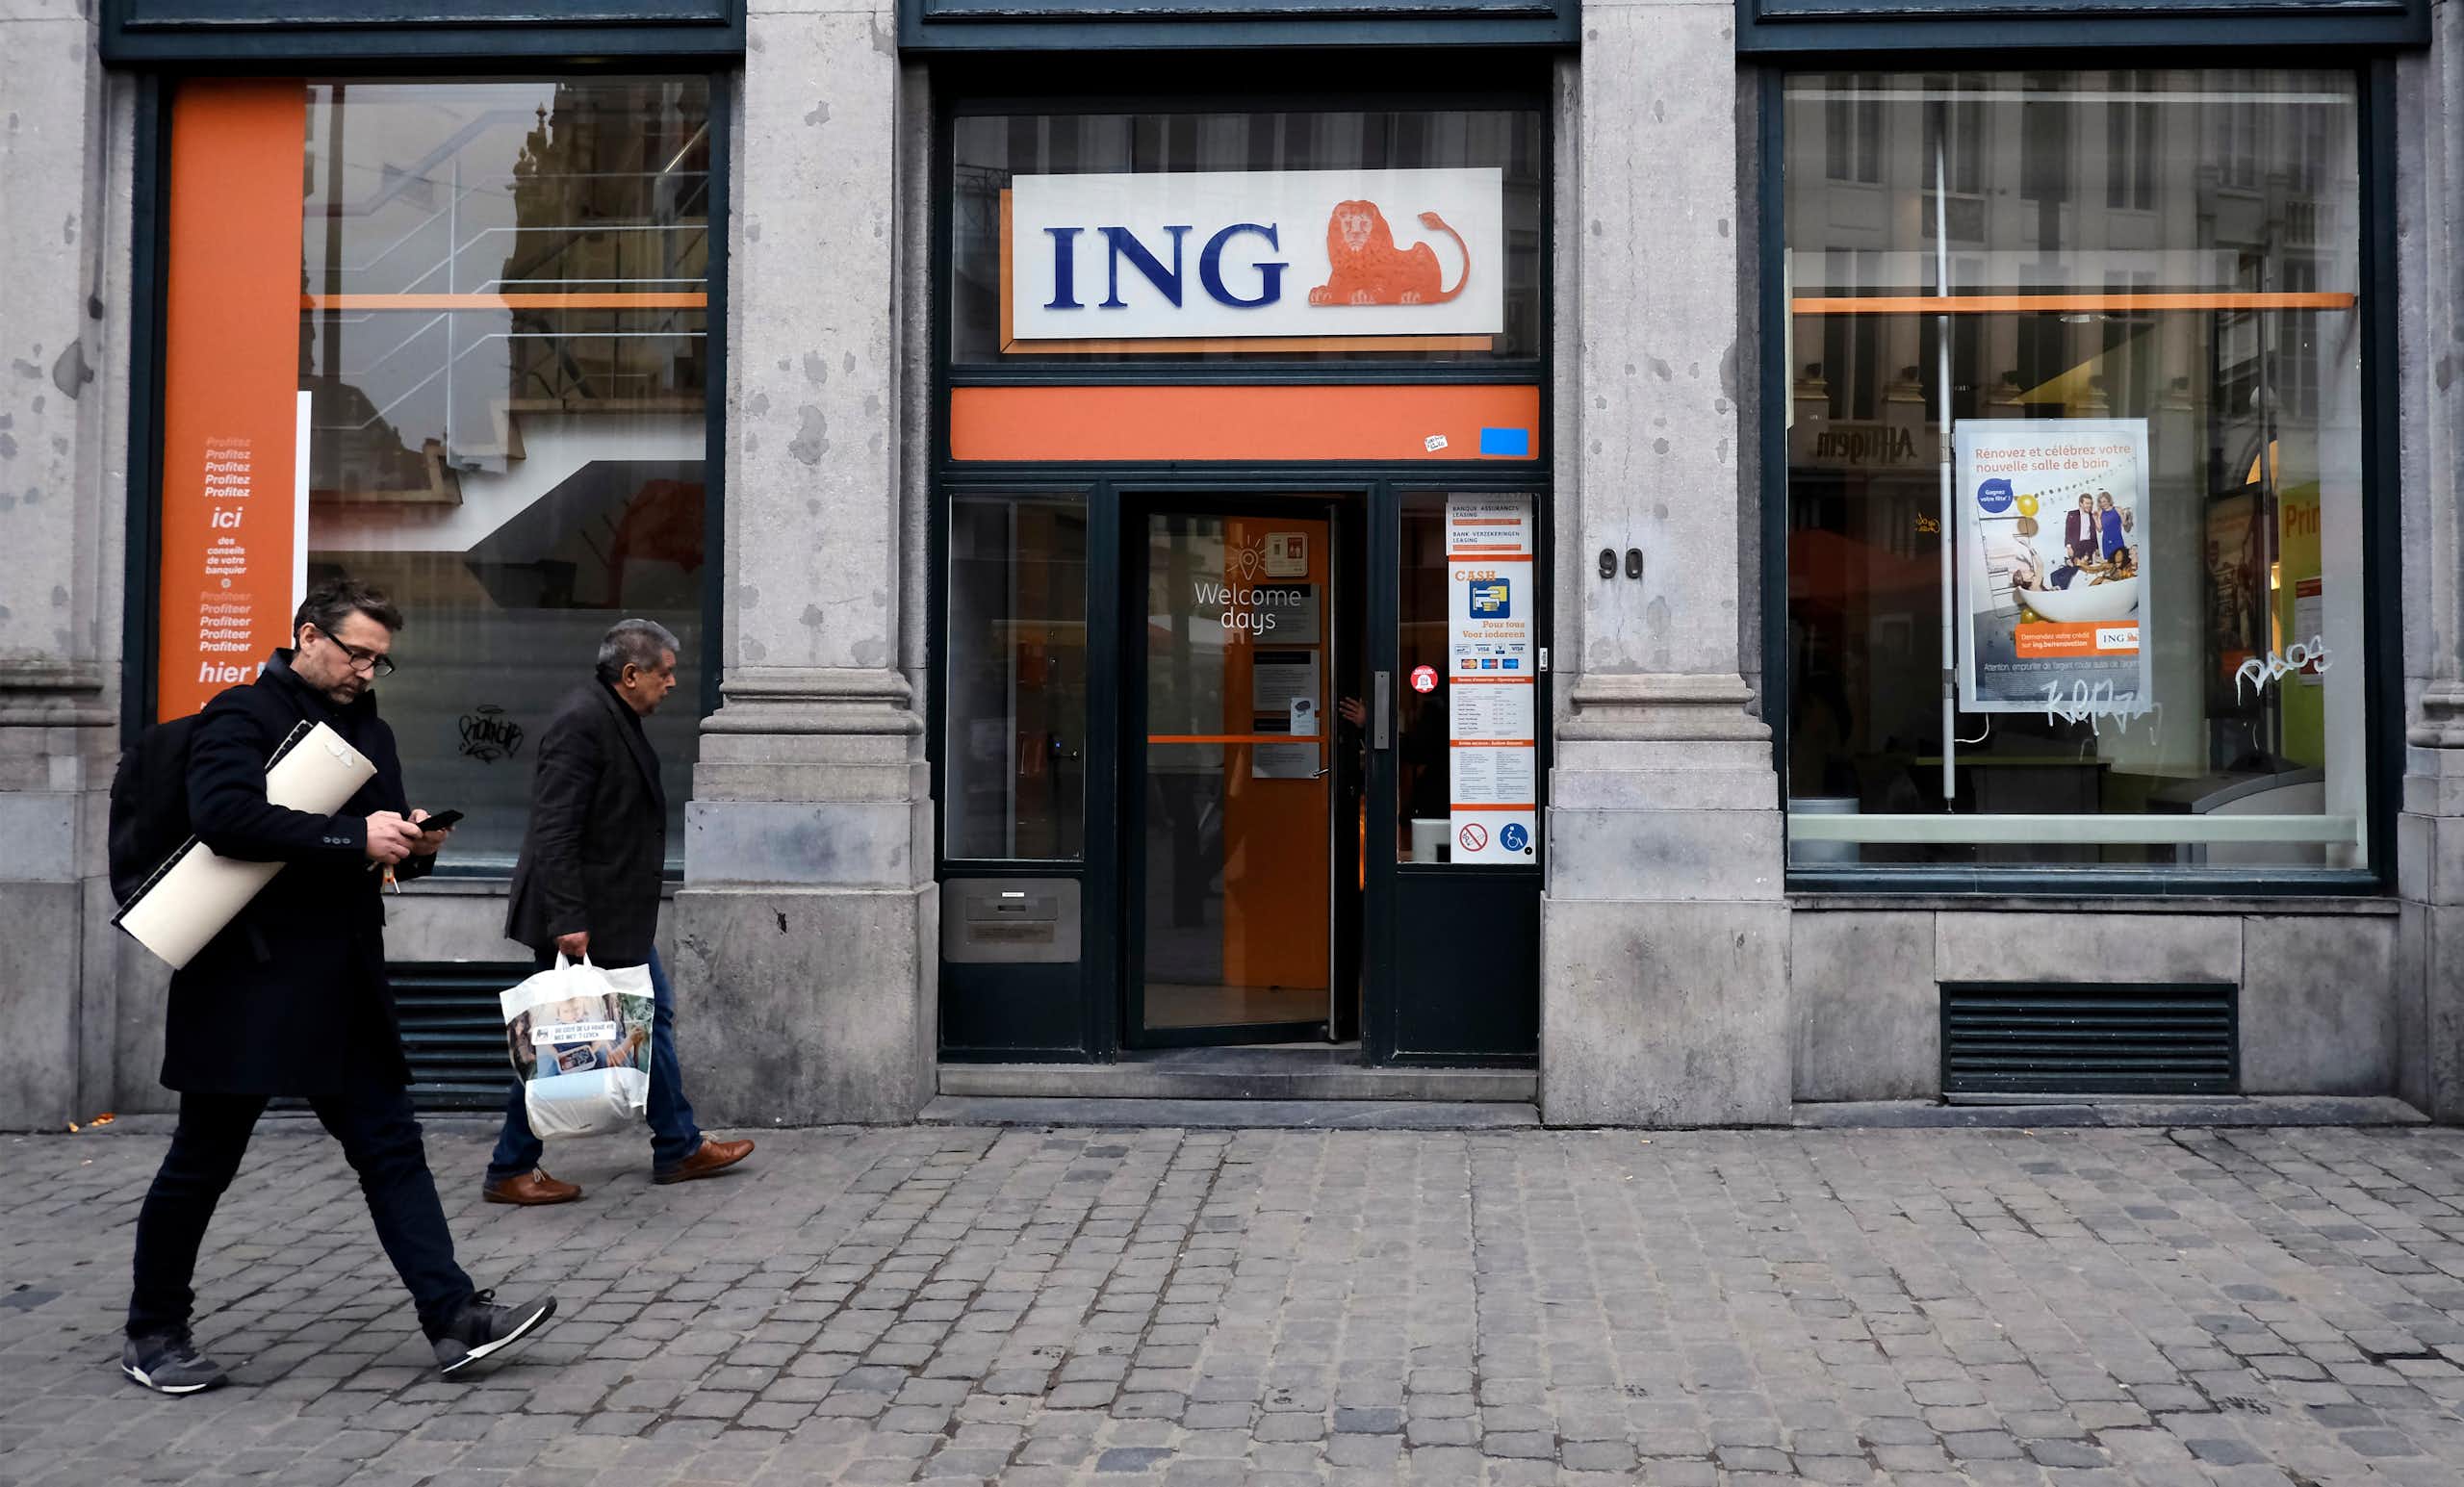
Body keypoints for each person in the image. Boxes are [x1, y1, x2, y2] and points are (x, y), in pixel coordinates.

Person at [122, 579, 556, 1396]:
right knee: (202, 1161)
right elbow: (225, 817)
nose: (366, 670)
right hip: (244, 979)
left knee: (391, 1147)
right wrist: (351, 834)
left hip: (343, 980)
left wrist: (411, 841)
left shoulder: (372, 730)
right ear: (306, 635)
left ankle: (455, 1318)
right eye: (356, 652)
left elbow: (377, 843)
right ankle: (153, 1330)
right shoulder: (239, 715)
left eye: (379, 660)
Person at [483, 619, 753, 1205]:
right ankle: (511, 1165)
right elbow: (555, 829)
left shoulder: (611, 714)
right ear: (630, 675)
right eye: (665, 674)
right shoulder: (582, 721)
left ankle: (678, 1144)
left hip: (612, 912)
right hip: (588, 917)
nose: (673, 684)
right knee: (556, 1034)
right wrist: (569, 919)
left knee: (647, 1021)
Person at [2065, 494, 2098, 562]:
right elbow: (2068, 531)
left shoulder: (2092, 516)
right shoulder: (2072, 514)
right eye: (2087, 503)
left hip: (2089, 546)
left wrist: (2096, 548)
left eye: (2091, 503)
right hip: (2076, 546)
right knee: (2076, 569)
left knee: (2089, 568)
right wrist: (2069, 547)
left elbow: (2094, 533)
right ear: (2081, 503)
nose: (2089, 505)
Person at [2097, 490, 2126, 560]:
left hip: (2117, 539)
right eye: (2101, 502)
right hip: (2106, 541)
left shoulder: (2117, 509)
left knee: (2120, 561)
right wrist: (2095, 519)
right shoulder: (2100, 512)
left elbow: (2125, 524)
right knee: (2109, 564)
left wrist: (2125, 515)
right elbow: (2099, 529)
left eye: (2104, 501)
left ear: (2109, 500)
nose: (2103, 504)